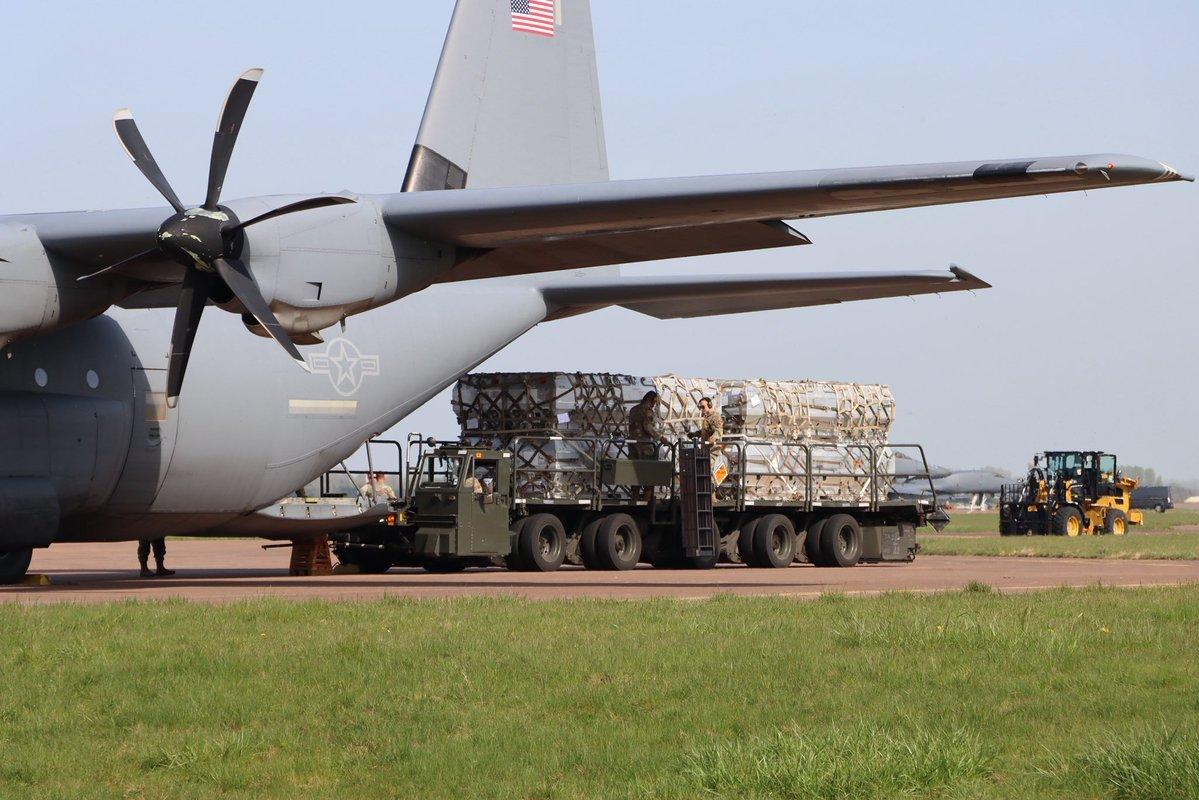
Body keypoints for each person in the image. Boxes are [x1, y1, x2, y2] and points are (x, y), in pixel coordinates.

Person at [628, 391, 669, 460]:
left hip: (632, 443)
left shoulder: (633, 409)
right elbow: (648, 427)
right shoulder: (647, 410)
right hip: (644, 444)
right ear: (649, 399)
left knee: (633, 465)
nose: (654, 404)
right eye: (654, 401)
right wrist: (660, 438)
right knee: (647, 467)